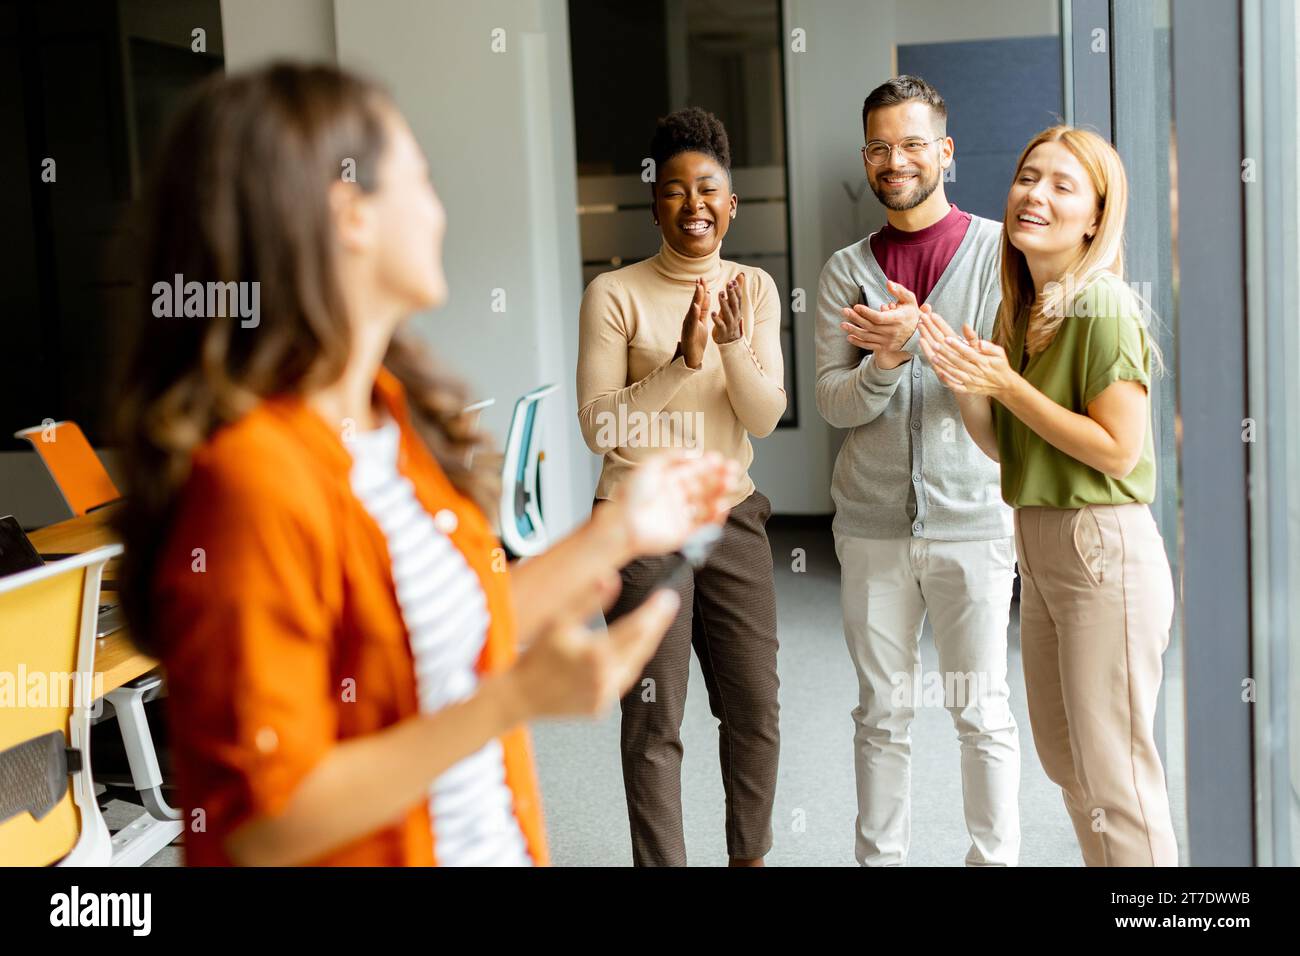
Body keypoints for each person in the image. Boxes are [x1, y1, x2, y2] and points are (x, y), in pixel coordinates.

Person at [112, 63, 739, 867]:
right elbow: (262, 822)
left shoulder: (387, 419)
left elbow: (455, 626)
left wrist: (621, 530)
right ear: (350, 216)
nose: (441, 212)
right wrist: (512, 701)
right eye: (422, 181)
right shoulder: (252, 480)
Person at [917, 124, 1178, 866]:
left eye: (1063, 185)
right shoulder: (1027, 310)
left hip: (1102, 549)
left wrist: (1006, 386)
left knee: (1117, 779)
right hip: (1040, 548)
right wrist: (970, 385)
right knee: (1071, 768)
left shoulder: (1103, 308)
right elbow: (1017, 450)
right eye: (1029, 177)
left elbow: (1117, 448)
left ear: (1096, 216)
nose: (1035, 193)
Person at [814, 75, 1020, 866]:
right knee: (882, 714)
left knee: (983, 713)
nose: (892, 160)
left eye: (909, 144)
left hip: (974, 520)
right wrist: (887, 362)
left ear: (945, 150)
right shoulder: (845, 271)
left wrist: (918, 334)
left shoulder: (1001, 253)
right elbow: (834, 403)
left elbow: (1010, 382)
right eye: (877, 146)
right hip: (871, 529)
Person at [576, 106, 787, 866]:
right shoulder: (615, 295)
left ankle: (749, 858)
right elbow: (601, 428)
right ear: (654, 202)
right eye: (674, 189)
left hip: (731, 516)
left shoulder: (753, 289)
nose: (693, 204)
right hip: (639, 522)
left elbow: (763, 416)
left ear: (732, 203)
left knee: (756, 709)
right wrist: (680, 364)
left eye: (708, 189)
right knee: (655, 717)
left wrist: (729, 348)